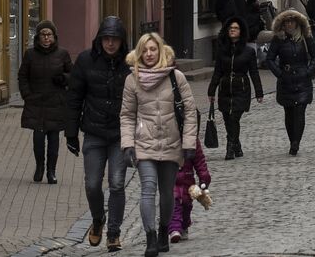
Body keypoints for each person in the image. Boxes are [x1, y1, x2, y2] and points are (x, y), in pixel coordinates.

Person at [119, 33, 196, 257]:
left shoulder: (176, 77)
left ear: (161, 51)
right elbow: (126, 115)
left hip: (172, 144)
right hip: (145, 143)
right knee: (148, 189)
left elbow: (190, 111)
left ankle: (164, 230)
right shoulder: (132, 79)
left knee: (167, 193)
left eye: (153, 49)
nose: (149, 54)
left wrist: (189, 143)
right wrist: (127, 144)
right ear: (139, 52)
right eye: (145, 50)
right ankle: (150, 237)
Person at [67, 16, 130, 252]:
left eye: (114, 39)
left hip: (119, 134)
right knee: (93, 184)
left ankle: (114, 232)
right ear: (100, 39)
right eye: (106, 39)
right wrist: (70, 132)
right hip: (93, 132)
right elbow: (74, 97)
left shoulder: (129, 62)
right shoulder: (85, 60)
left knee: (116, 183)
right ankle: (97, 219)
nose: (110, 43)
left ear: (121, 41)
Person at [18, 20, 73, 184]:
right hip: (36, 101)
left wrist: (64, 78)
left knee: (54, 138)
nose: (46, 38)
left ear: (54, 37)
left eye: (49, 34)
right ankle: (40, 167)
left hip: (55, 101)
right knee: (38, 137)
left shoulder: (63, 54)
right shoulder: (30, 54)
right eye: (43, 34)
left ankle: (51, 171)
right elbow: (22, 76)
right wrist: (26, 94)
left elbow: (74, 75)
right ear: (38, 36)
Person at [206, 17, 263, 160]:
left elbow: (254, 72)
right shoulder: (222, 51)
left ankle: (230, 147)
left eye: (236, 28)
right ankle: (237, 145)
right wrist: (211, 90)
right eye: (230, 28)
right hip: (225, 88)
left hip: (241, 88)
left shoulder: (248, 51)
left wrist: (259, 91)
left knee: (234, 117)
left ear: (241, 31)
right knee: (227, 118)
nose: (232, 30)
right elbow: (217, 71)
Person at [264, 8, 315, 155]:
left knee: (300, 111)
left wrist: (308, 71)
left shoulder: (306, 37)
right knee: (289, 112)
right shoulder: (279, 39)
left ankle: (296, 142)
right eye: (287, 22)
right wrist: (280, 74)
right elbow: (269, 59)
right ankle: (292, 140)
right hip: (286, 80)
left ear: (297, 23)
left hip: (302, 80)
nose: (289, 25)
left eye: (292, 21)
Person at [167, 136, 211, 245]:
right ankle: (174, 229)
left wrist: (204, 178)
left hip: (187, 178)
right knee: (174, 202)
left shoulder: (191, 138)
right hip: (171, 178)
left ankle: (184, 225)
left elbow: (199, 161)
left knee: (186, 205)